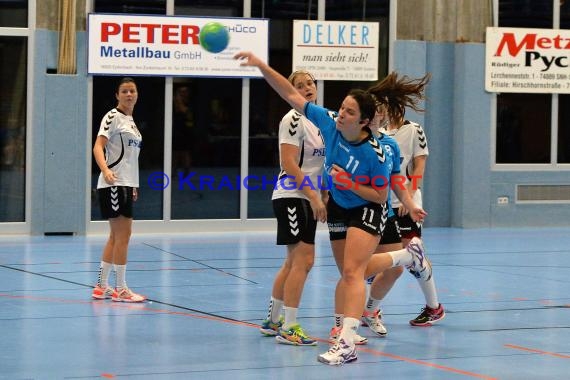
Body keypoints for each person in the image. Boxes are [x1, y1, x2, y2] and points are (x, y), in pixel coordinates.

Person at [234, 51, 430, 366]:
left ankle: (347, 342)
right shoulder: (328, 124)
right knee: (348, 274)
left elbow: (381, 196)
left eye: (349, 112)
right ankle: (403, 259)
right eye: (341, 108)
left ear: (364, 121)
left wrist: (351, 183)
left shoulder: (375, 153)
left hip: (367, 206)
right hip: (338, 205)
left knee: (353, 271)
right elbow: (289, 93)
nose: (340, 114)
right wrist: (261, 66)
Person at [362, 73, 444, 335]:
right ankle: (370, 308)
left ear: (391, 106)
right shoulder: (376, 133)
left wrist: (410, 195)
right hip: (382, 204)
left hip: (406, 203)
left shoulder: (413, 130)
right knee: (381, 262)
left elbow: (419, 166)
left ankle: (433, 307)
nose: (378, 110)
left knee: (413, 256)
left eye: (381, 105)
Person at [259, 70, 327, 346]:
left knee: (292, 262)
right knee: (304, 261)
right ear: (292, 91)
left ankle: (273, 321)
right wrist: (313, 196)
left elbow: (320, 165)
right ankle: (289, 327)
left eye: (310, 83)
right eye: (299, 85)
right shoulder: (293, 119)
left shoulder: (320, 121)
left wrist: (323, 195)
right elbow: (288, 163)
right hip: (292, 195)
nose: (307, 88)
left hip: (308, 196)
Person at [91, 77, 146, 303]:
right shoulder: (113, 117)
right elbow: (98, 147)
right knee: (123, 236)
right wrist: (106, 171)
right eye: (124, 91)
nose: (129, 94)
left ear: (137, 94)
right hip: (114, 183)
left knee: (115, 236)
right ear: (117, 95)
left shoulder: (130, 121)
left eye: (132, 91)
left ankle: (101, 286)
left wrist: (133, 184)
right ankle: (121, 289)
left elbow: (130, 159)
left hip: (125, 184)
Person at [172, 84, 195, 177]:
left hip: (186, 131)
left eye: (184, 92)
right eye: (181, 92)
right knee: (175, 153)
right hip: (177, 130)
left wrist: (177, 95)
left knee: (185, 152)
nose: (183, 93)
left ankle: (187, 172)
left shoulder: (188, 104)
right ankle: (173, 171)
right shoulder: (176, 103)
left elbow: (183, 110)